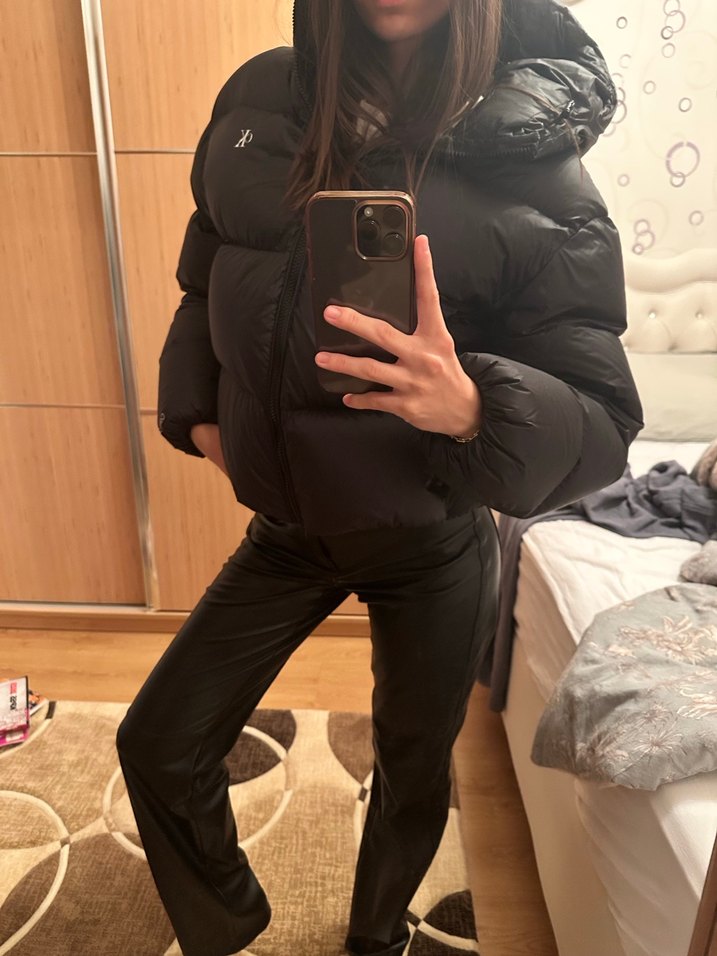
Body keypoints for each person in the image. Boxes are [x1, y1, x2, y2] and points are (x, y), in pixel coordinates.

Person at [116, 0, 644, 954]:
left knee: (412, 765)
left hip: (432, 539)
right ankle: (226, 925)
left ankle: (376, 937)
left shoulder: (536, 158)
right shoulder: (259, 100)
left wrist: (474, 407)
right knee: (157, 741)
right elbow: (205, 276)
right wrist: (199, 418)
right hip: (289, 529)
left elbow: (603, 418)